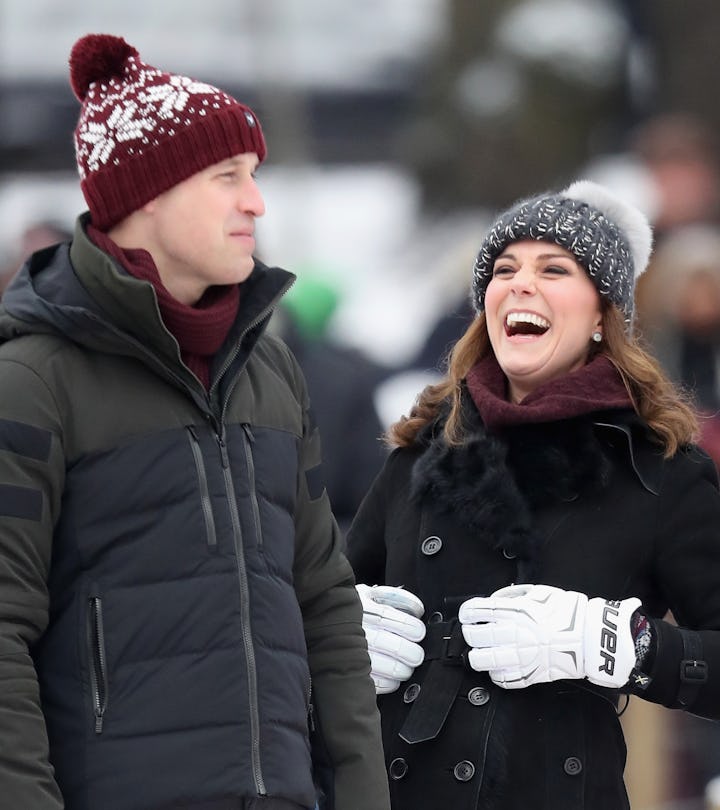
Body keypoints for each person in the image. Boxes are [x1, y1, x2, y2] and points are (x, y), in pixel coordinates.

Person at [0, 34, 390, 810]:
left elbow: (326, 610)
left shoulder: (272, 373)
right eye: (227, 177)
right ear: (147, 196)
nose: (256, 201)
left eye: (254, 175)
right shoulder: (33, 382)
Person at [346, 179, 720, 809]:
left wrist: (616, 643)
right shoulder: (421, 456)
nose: (520, 283)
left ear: (603, 315)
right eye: (503, 269)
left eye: (555, 268)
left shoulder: (661, 471)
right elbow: (316, 612)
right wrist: (340, 642)